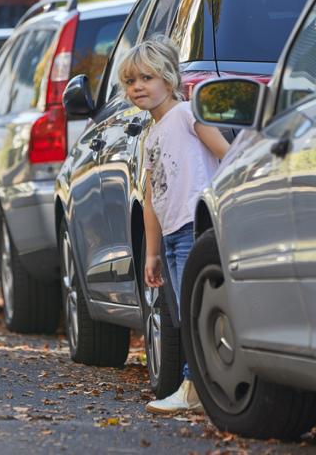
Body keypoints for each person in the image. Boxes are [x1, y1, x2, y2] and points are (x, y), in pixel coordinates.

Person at [117, 37, 230, 414]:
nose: (138, 87)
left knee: (195, 313)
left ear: (168, 78)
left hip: (195, 227)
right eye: (131, 81)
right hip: (171, 235)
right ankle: (198, 386)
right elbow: (151, 200)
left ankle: (195, 387)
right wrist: (152, 253)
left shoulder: (185, 114)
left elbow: (226, 154)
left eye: (146, 78)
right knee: (185, 314)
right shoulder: (151, 135)